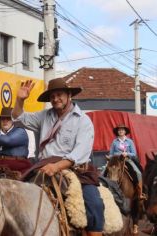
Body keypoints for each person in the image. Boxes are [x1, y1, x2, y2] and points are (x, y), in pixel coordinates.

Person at [12, 78, 104, 236]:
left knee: (94, 204)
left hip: (75, 171)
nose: (55, 99)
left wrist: (56, 166)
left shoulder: (83, 120)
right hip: (43, 168)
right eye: (52, 96)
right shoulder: (44, 116)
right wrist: (20, 99)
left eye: (59, 95)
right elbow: (19, 117)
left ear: (69, 95)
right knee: (16, 198)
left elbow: (80, 152)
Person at [109, 124, 146, 200]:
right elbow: (111, 154)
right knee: (103, 172)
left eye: (122, 130)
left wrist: (127, 154)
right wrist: (117, 155)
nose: (121, 131)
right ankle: (105, 191)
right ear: (117, 132)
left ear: (125, 131)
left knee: (138, 173)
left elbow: (134, 153)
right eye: (119, 130)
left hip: (127, 160)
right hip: (116, 161)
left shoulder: (130, 141)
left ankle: (140, 193)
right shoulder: (114, 142)